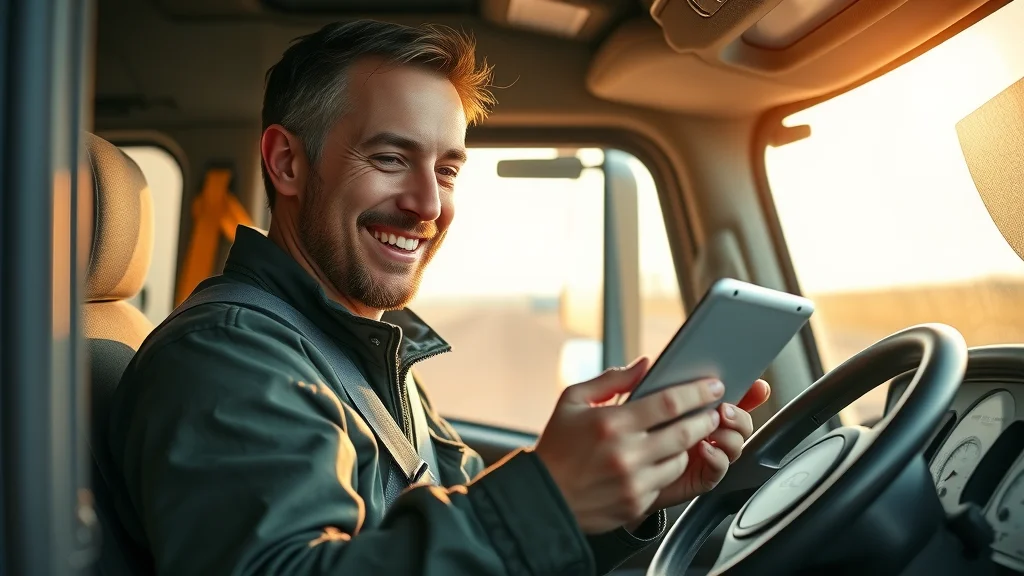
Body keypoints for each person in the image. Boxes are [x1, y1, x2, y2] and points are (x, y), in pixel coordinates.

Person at [105, 19, 771, 575]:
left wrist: (625, 498)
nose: (428, 204)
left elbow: (457, 529)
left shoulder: (352, 347)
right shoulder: (227, 358)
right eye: (390, 158)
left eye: (447, 169)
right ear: (287, 164)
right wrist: (552, 497)